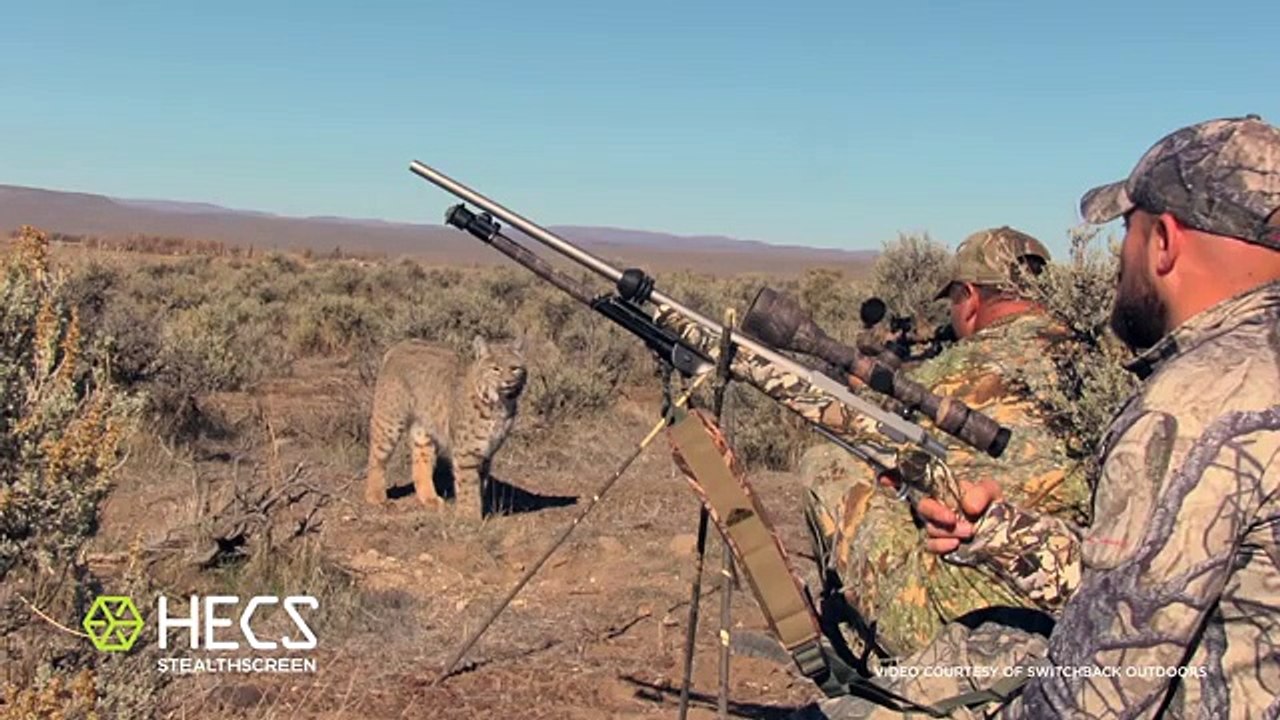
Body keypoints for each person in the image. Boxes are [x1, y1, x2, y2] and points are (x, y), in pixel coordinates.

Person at [804, 115, 1280, 718]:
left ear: (1164, 240)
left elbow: (1099, 693)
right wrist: (1001, 534)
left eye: (1127, 232)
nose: (1117, 260)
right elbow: (1178, 578)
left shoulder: (1193, 403)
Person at [799, 226, 1091, 663]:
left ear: (969, 297)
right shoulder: (1097, 359)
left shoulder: (947, 371)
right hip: (1092, 610)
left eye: (953, 301)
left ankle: (859, 638)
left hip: (956, 626)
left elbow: (859, 421)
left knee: (830, 461)